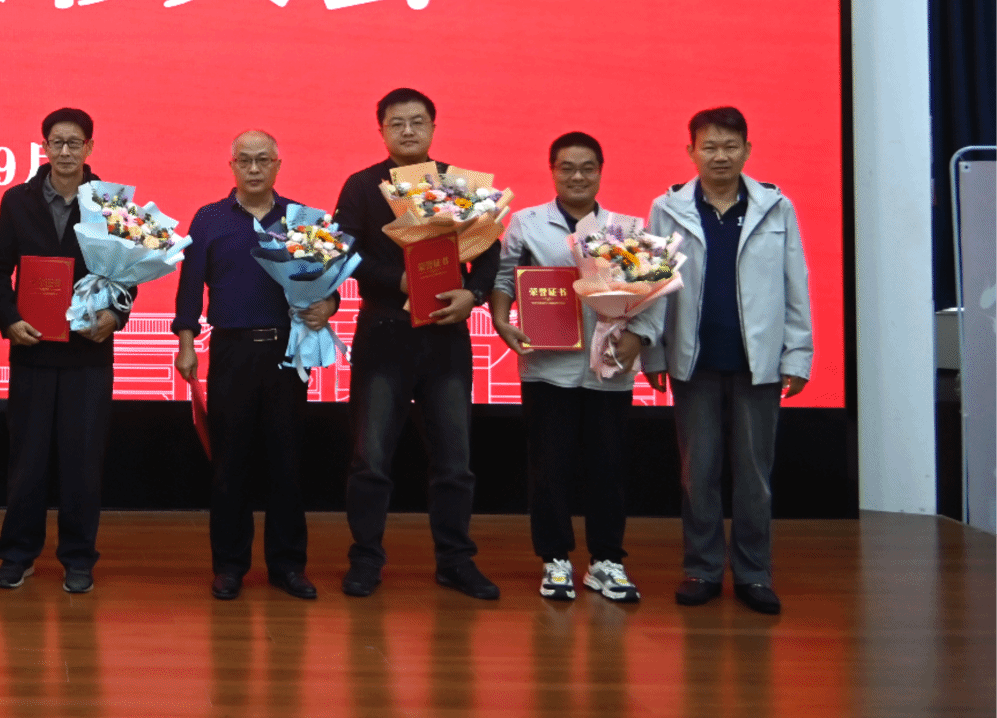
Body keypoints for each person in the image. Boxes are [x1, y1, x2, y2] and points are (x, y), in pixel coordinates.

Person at [332, 87, 501, 600]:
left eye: (417, 121)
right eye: (397, 123)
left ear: (432, 126)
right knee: (370, 458)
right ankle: (365, 560)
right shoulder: (362, 186)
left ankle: (455, 560)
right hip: (385, 332)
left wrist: (473, 294)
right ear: (381, 130)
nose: (408, 130)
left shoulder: (457, 185)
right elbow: (344, 252)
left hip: (445, 334)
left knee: (455, 460)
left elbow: (489, 252)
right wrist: (398, 281)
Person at [644, 106, 811, 616]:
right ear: (691, 151)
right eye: (710, 147)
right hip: (693, 362)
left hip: (758, 363)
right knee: (698, 473)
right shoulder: (667, 208)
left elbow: (796, 284)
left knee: (754, 476)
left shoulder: (775, 206)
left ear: (747, 150)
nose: (720, 156)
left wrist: (798, 354)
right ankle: (702, 569)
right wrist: (653, 351)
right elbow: (651, 284)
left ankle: (755, 574)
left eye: (730, 146)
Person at [487, 132, 663, 604]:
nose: (577, 176)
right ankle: (555, 558)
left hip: (609, 368)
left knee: (608, 468)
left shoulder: (626, 228)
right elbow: (505, 278)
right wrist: (501, 320)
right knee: (550, 467)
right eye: (567, 167)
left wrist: (640, 337)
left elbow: (652, 290)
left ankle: (607, 561)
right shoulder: (527, 223)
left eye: (587, 168)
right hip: (547, 366)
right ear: (553, 171)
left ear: (600, 172)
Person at [172, 130, 322, 601]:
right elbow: (190, 287)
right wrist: (186, 344)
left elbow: (325, 283)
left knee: (286, 463)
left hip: (287, 352)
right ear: (232, 165)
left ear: (278, 164)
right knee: (230, 462)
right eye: (245, 160)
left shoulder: (301, 219)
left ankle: (288, 566)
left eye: (263, 160)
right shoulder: (210, 218)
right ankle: (230, 566)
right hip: (231, 352)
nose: (254, 168)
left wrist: (329, 306)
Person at [0, 108, 127, 595]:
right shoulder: (17, 200)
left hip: (88, 351)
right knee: (27, 461)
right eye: (56, 143)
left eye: (74, 143)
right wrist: (9, 320)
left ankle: (78, 557)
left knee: (82, 461)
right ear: (44, 147)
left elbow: (130, 270)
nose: (65, 151)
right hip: (32, 348)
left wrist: (116, 317)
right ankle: (17, 555)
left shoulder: (110, 202)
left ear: (89, 148)